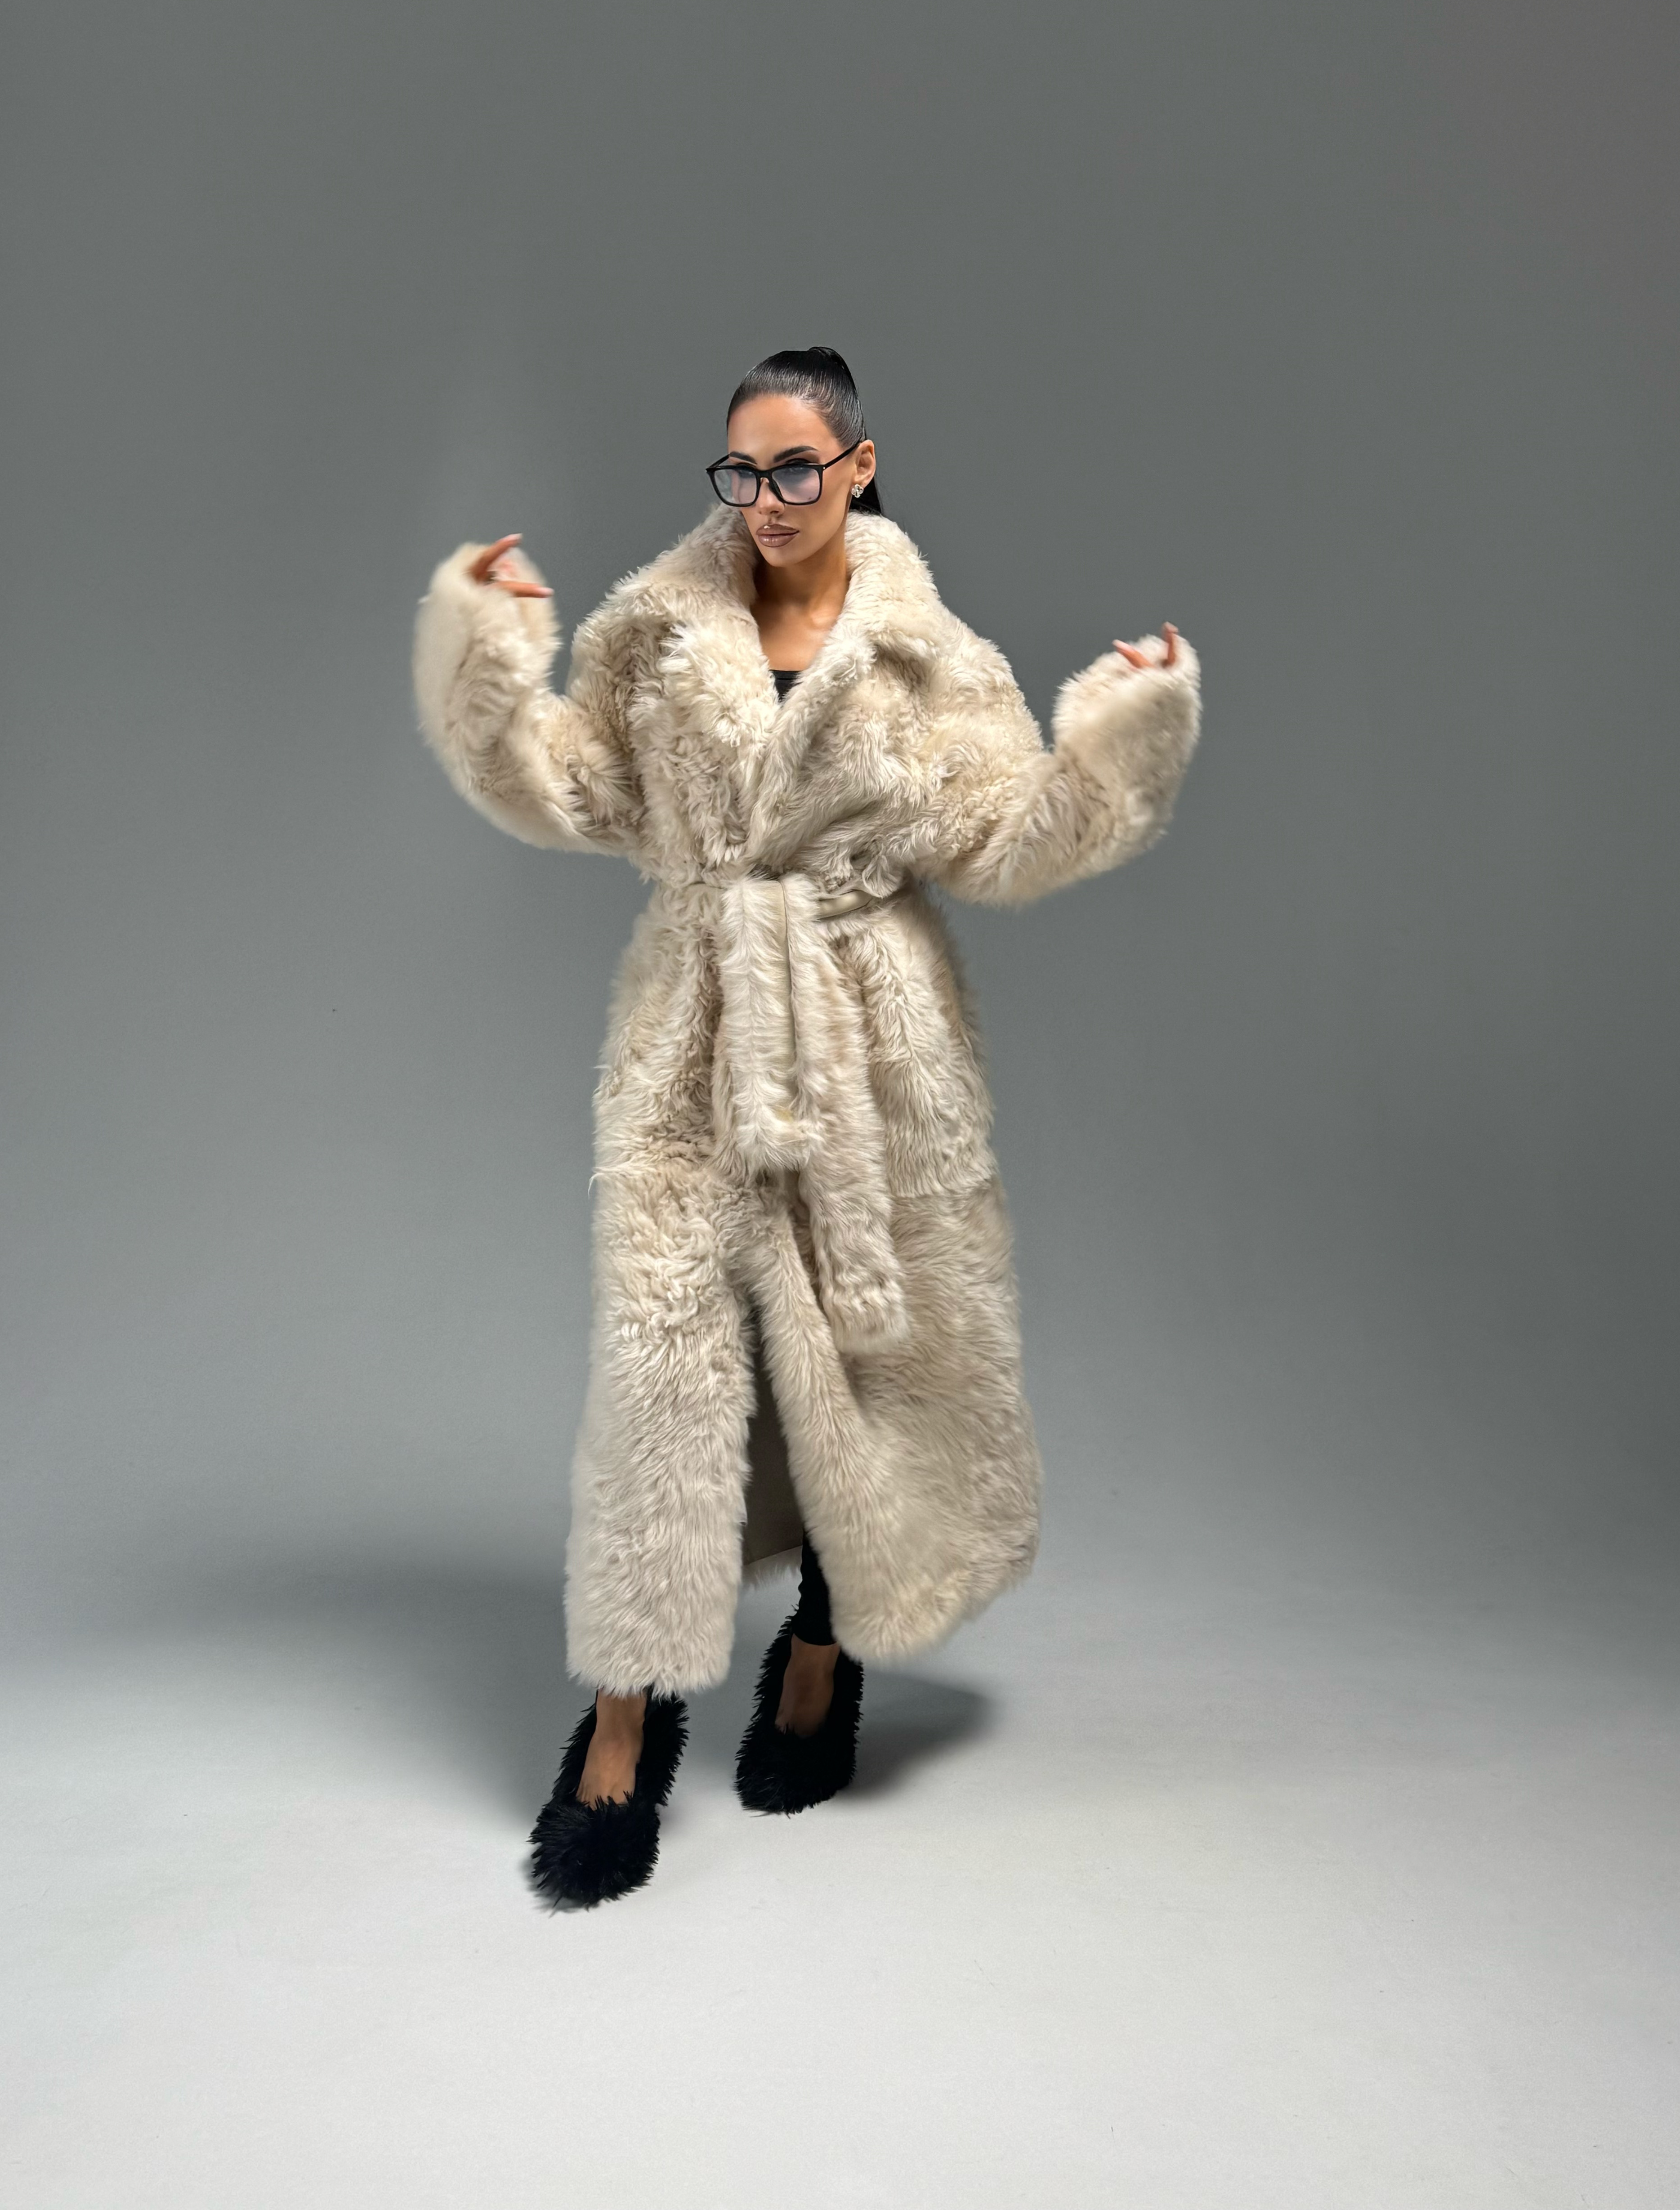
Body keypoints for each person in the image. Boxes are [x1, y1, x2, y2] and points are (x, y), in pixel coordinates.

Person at [411, 346, 1201, 1907]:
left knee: (872, 1355)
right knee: (662, 1366)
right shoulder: (656, 636)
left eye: (792, 469)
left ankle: (827, 1642)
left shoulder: (930, 660)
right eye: (741, 471)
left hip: (872, 1044)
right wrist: (484, 650)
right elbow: (565, 789)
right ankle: (626, 1710)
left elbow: (1008, 838)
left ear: (855, 467)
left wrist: (1126, 729)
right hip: (696, 1033)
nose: (764, 501)